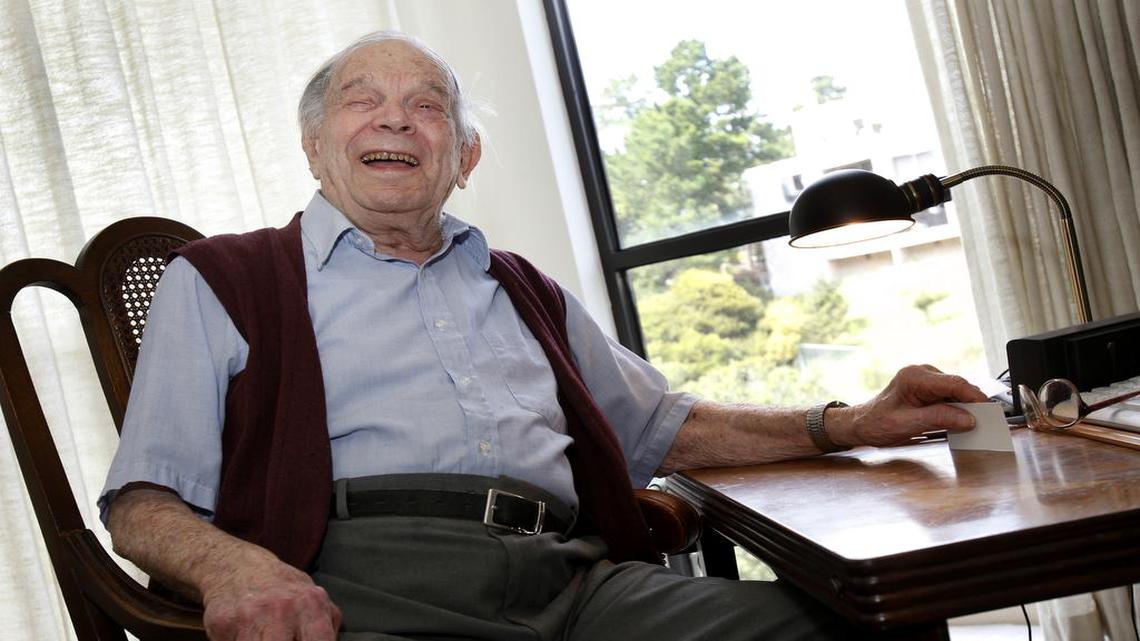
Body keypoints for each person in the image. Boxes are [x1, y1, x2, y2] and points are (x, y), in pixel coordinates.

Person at [100, 30, 988, 641]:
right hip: (368, 590)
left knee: (862, 625)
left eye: (428, 106)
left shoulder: (523, 288)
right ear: (313, 146)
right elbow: (142, 503)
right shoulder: (223, 280)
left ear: (464, 157)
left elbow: (664, 428)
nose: (395, 118)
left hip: (577, 582)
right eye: (360, 101)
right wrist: (234, 571)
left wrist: (846, 422)